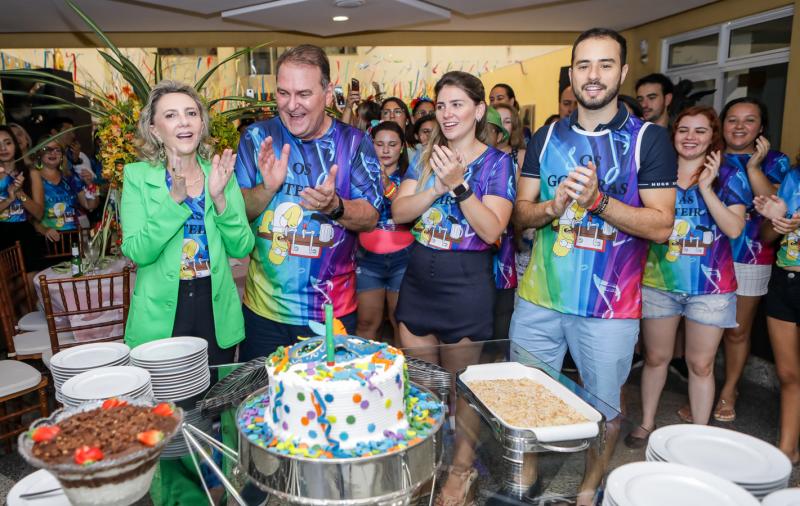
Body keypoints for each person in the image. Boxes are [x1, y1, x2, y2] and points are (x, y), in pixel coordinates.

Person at [510, 28, 676, 504]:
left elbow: (662, 225)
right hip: (539, 300)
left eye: (605, 64)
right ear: (572, 73)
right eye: (584, 65)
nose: (593, 75)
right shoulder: (547, 136)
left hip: (609, 308)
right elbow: (520, 214)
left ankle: (589, 487)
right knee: (527, 398)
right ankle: (527, 480)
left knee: (603, 408)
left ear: (622, 72)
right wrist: (552, 207)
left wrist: (598, 201)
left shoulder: (648, 139)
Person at [120, 80, 254, 506]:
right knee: (168, 419)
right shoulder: (138, 177)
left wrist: (220, 199)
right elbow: (137, 250)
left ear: (202, 123)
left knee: (217, 413)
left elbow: (242, 246)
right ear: (155, 129)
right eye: (171, 115)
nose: (184, 122)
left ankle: (222, 491)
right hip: (163, 317)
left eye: (191, 113)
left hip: (214, 310)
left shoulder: (220, 173)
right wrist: (174, 201)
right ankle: (178, 499)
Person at [392, 71, 515, 505]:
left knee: (464, 391)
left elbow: (492, 230)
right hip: (418, 279)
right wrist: (435, 189)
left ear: (479, 110)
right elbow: (400, 212)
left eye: (457, 104)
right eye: (442, 105)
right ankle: (426, 463)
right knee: (423, 388)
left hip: (466, 283)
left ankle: (461, 471)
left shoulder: (497, 163)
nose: (447, 113)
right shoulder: (424, 156)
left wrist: (460, 186)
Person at [235, 44, 381, 361]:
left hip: (330, 314)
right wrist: (267, 189)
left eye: (303, 94)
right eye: (283, 93)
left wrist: (335, 207)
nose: (291, 105)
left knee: (326, 392)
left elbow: (371, 217)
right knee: (262, 391)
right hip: (263, 312)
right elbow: (239, 212)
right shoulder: (257, 138)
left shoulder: (354, 143)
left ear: (327, 94)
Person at [625, 106, 748, 448]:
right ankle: (647, 423)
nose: (691, 137)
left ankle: (699, 435)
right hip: (659, 282)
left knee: (701, 365)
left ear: (713, 137)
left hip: (711, 288)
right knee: (655, 358)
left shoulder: (729, 174)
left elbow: (734, 228)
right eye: (684, 130)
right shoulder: (656, 171)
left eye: (700, 131)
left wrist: (706, 189)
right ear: (673, 135)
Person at [715, 97, 791, 423]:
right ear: (722, 124)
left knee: (737, 331)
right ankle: (703, 388)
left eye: (749, 120)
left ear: (761, 127)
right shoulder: (709, 155)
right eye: (732, 119)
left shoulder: (777, 161)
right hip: (708, 253)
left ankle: (729, 389)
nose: (739, 126)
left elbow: (777, 205)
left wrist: (753, 168)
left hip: (752, 254)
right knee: (706, 330)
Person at [753, 175, 800, 465]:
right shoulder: (793, 178)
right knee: (788, 373)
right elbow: (767, 236)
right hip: (784, 281)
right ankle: (787, 450)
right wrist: (776, 221)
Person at [355, 121, 413, 341]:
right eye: (379, 144)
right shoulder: (359, 176)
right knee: (367, 323)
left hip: (403, 259)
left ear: (402, 147)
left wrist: (387, 184)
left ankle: (398, 364)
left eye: (392, 144)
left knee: (401, 323)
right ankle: (369, 363)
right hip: (367, 259)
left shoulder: (411, 177)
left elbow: (410, 214)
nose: (386, 150)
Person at [35, 136, 99, 238]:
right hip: (47, 238)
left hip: (76, 235)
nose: (53, 153)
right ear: (38, 154)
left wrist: (90, 185)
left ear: (62, 155)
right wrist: (44, 230)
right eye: (47, 149)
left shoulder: (71, 177)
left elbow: (90, 205)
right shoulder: (33, 179)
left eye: (57, 150)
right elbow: (30, 216)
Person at [0, 125, 44, 269]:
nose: (3, 148)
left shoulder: (31, 172)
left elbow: (39, 213)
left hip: (24, 233)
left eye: (7, 143)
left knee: (31, 280)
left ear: (15, 144)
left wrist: (20, 193)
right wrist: (9, 200)